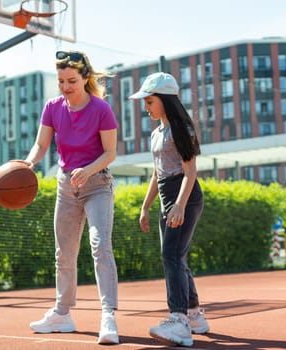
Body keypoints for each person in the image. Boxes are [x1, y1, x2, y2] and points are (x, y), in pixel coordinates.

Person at [24, 50, 120, 344]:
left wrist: (88, 170)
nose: (66, 87)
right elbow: (41, 145)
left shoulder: (101, 109)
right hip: (66, 188)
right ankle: (62, 314)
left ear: (85, 78)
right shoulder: (53, 107)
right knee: (63, 255)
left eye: (72, 81)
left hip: (97, 185)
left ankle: (108, 317)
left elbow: (110, 153)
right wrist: (28, 164)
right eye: (61, 81)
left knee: (100, 246)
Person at [129, 72, 210, 347]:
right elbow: (156, 174)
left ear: (164, 100)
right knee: (178, 256)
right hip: (167, 198)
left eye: (149, 101)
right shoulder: (156, 133)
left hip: (185, 196)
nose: (146, 107)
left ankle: (179, 321)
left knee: (171, 256)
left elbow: (190, 172)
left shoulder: (181, 128)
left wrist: (180, 205)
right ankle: (195, 315)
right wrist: (145, 207)